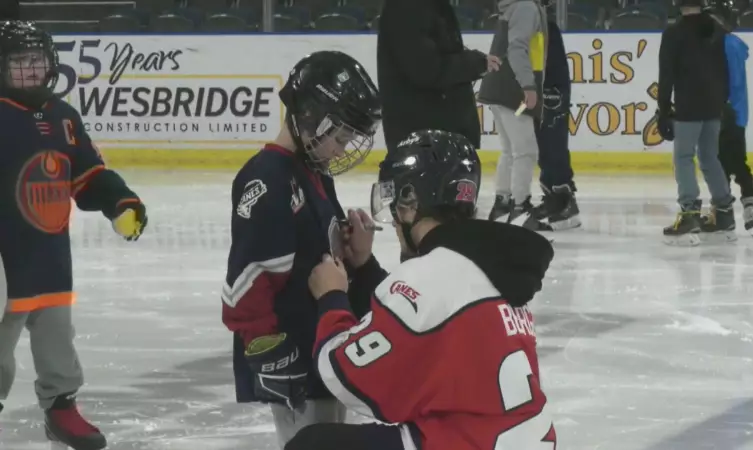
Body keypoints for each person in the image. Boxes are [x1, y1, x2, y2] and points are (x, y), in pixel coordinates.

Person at [286, 129, 557, 450]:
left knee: (311, 445)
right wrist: (366, 266)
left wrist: (331, 297)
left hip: (468, 443)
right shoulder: (496, 268)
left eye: (397, 202)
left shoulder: (428, 275)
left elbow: (343, 373)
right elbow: (427, 319)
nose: (396, 220)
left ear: (411, 201)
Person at [220, 50, 382, 448]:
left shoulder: (311, 170)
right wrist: (268, 351)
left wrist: (354, 254)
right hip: (295, 356)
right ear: (311, 115)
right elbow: (246, 281)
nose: (343, 150)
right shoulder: (267, 179)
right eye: (340, 137)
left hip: (323, 345)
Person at [0, 21, 148, 450]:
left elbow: (88, 174)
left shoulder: (64, 117)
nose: (30, 70)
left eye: (36, 60)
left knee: (57, 338)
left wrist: (120, 202)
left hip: (49, 257)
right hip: (5, 262)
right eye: (18, 62)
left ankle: (60, 405)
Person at [658, 0, 736, 245]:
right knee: (709, 157)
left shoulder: (674, 33)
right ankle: (724, 213)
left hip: (688, 106)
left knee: (683, 157)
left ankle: (690, 213)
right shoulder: (716, 29)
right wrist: (721, 101)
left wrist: (663, 110)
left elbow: (666, 73)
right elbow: (725, 69)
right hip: (713, 105)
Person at [377, 0, 500, 154]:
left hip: (439, 140)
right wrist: (474, 63)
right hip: (427, 143)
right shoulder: (409, 7)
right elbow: (426, 69)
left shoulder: (431, 6)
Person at [478, 0, 549, 228]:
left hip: (498, 86)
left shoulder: (511, 6)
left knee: (510, 150)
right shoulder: (526, 7)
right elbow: (517, 47)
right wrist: (528, 85)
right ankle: (520, 207)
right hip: (512, 88)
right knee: (525, 151)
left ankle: (502, 203)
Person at [704, 0, 753, 237]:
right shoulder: (731, 43)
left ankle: (726, 210)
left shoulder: (722, 45)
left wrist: (722, 106)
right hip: (735, 112)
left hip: (726, 112)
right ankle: (745, 206)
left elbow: (730, 81)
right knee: (734, 162)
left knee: (725, 162)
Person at [532, 18, 580, 231]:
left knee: (552, 145)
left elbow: (546, 66)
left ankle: (562, 201)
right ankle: (557, 197)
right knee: (546, 146)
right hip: (548, 92)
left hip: (551, 93)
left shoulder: (544, 28)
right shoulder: (540, 26)